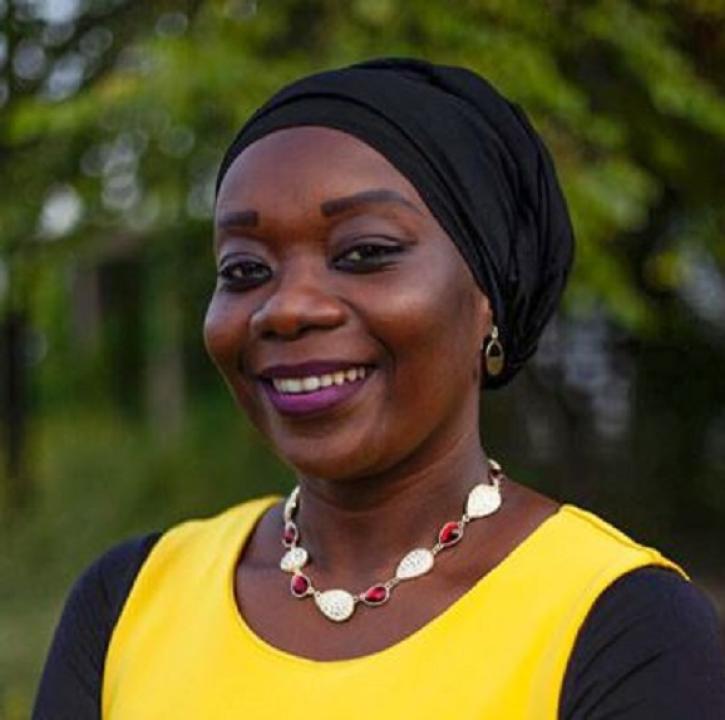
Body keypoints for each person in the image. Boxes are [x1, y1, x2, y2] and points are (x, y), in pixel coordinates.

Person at [33, 58, 725, 719]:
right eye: (244, 269)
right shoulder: (129, 601)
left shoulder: (621, 628)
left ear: (488, 295)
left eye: (364, 254)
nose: (288, 307)